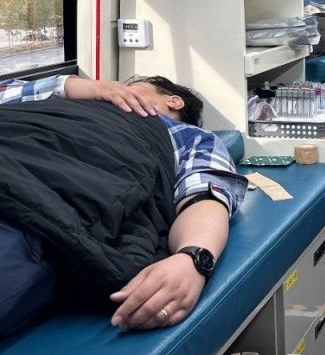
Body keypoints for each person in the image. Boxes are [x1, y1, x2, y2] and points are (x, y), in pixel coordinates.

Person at [0, 74, 247, 339]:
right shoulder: (65, 98)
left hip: (43, 203)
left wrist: (193, 258)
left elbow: (206, 197)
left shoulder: (191, 137)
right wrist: (81, 87)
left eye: (132, 88)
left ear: (173, 101)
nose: (117, 91)